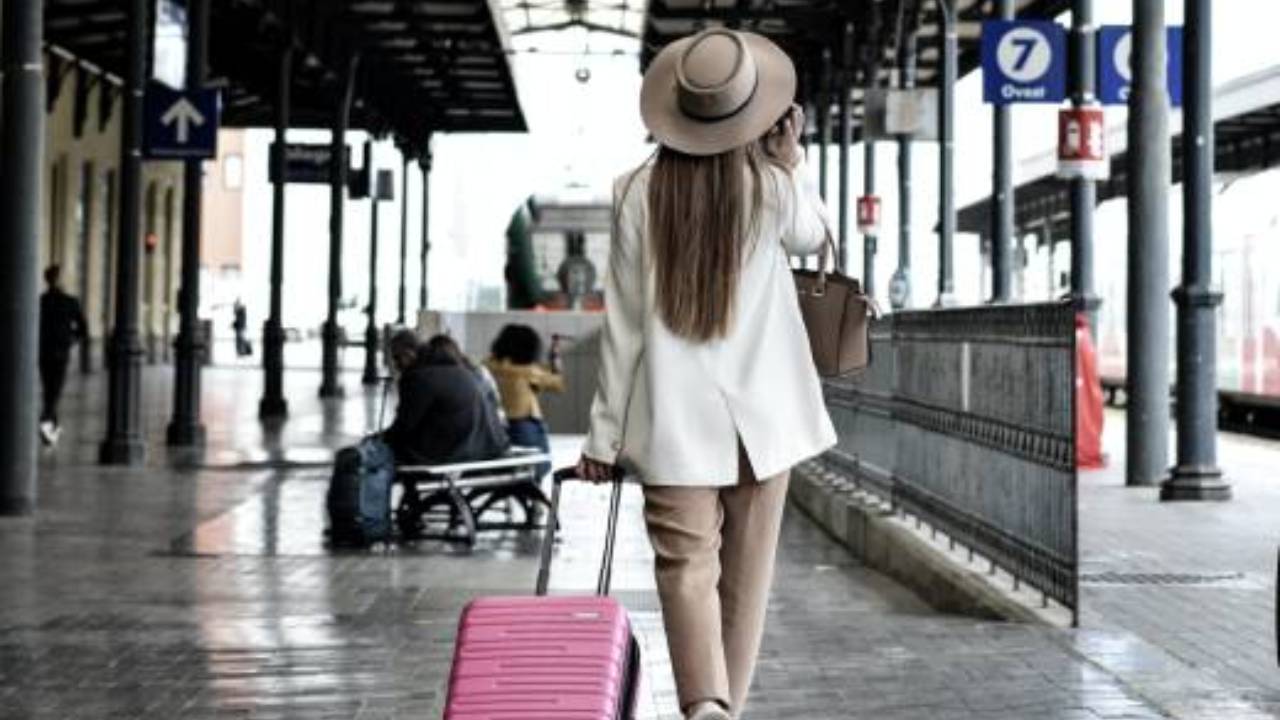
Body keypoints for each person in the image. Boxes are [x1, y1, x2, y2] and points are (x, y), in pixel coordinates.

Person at [575, 29, 835, 720]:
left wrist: (603, 439)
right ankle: (722, 710)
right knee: (746, 583)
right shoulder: (772, 190)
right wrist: (791, 160)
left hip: (673, 424)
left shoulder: (634, 191)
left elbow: (624, 327)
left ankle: (705, 707)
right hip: (767, 424)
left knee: (686, 570)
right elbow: (820, 237)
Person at [382, 331, 508, 466]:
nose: (396, 365)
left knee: (379, 454)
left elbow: (404, 427)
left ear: (409, 354)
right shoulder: (466, 372)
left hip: (451, 455)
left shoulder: (418, 377)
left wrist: (380, 439)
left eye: (396, 358)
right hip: (487, 449)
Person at [484, 324, 564, 480]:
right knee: (538, 468)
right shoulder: (530, 372)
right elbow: (557, 384)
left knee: (513, 470)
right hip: (525, 425)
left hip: (496, 425)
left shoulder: (488, 366)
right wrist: (555, 359)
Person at [38, 265, 88, 447]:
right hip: (60, 354)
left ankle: (49, 428)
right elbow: (83, 329)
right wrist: (70, 340)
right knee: (54, 392)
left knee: (49, 391)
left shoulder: (41, 302)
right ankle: (47, 423)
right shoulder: (70, 302)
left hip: (44, 353)